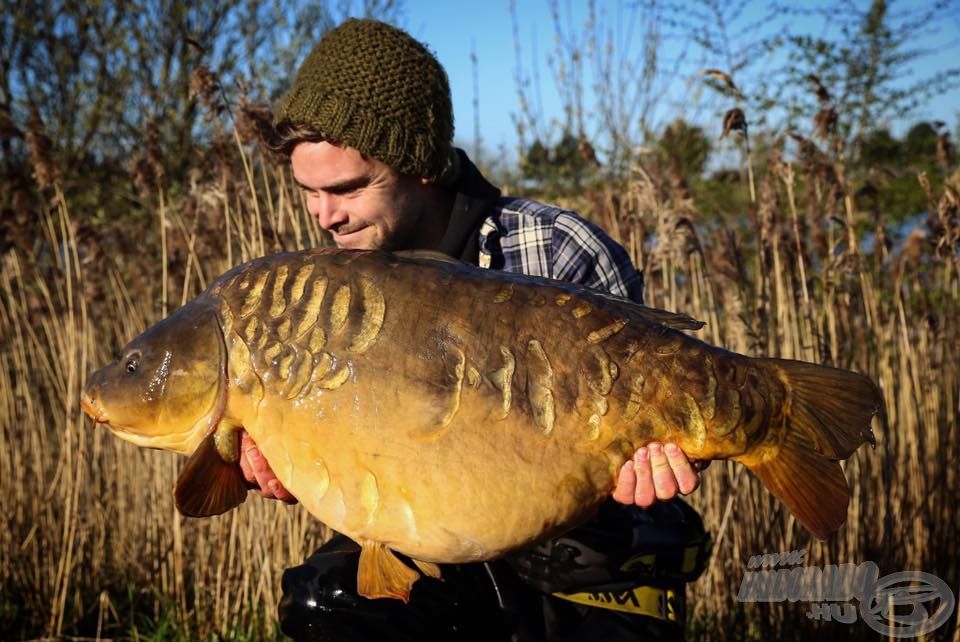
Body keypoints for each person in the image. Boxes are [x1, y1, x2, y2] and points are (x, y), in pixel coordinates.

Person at [243, 18, 710, 641]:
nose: (327, 216)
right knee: (324, 604)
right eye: (309, 192)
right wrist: (287, 453)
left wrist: (660, 455)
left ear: (423, 167)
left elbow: (645, 406)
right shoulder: (332, 286)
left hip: (580, 549)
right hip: (429, 537)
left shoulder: (556, 250)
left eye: (350, 188)